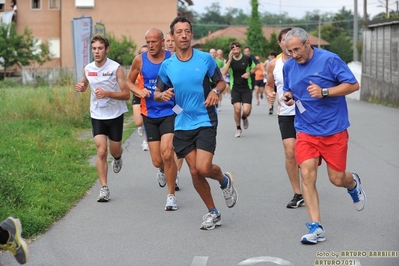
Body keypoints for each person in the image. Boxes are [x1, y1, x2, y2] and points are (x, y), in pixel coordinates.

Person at [283, 27, 366, 244]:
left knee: (336, 178)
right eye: (289, 51)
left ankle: (352, 184)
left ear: (307, 43)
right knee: (307, 174)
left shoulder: (330, 60)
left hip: (333, 130)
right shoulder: (289, 65)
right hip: (306, 130)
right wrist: (288, 96)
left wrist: (325, 92)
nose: (294, 55)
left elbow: (353, 85)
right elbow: (289, 88)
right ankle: (316, 227)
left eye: (297, 50)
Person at [155, 16, 238, 230]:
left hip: (205, 118)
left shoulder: (205, 60)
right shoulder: (167, 66)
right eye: (179, 32)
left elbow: (221, 81)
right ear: (171, 37)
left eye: (187, 31)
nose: (183, 35)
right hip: (182, 123)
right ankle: (213, 212)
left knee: (203, 168)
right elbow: (157, 93)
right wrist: (161, 96)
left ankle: (224, 180)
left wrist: (215, 90)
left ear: (192, 35)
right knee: (193, 171)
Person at [127, 28, 178, 211]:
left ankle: (171, 195)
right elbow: (128, 81)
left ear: (162, 41)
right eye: (147, 42)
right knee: (158, 161)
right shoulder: (140, 59)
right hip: (149, 113)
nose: (150, 45)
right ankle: (162, 171)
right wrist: (138, 91)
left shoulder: (172, 58)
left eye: (154, 42)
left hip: (170, 111)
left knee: (167, 153)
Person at [76, 35, 130, 202]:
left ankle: (118, 157)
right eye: (94, 49)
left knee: (114, 150)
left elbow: (126, 94)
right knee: (101, 151)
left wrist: (108, 93)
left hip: (115, 115)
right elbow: (85, 83)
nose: (97, 52)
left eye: (100, 48)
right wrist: (82, 86)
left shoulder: (116, 68)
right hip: (97, 114)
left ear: (106, 49)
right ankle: (104, 188)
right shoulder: (88, 68)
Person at [265, 27, 304, 209]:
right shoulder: (274, 64)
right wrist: (270, 95)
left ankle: (308, 183)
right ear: (281, 43)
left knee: (304, 155)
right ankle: (298, 193)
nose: (288, 44)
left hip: (306, 113)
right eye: (284, 40)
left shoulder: (304, 60)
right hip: (286, 114)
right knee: (290, 152)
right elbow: (269, 86)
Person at [222, 41, 256, 138]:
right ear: (231, 51)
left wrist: (249, 73)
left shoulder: (247, 58)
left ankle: (244, 117)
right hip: (235, 87)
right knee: (237, 109)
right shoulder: (230, 60)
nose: (235, 51)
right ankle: (238, 128)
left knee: (246, 110)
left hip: (246, 87)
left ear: (240, 49)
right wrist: (229, 60)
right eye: (233, 49)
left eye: (237, 49)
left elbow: (254, 68)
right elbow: (223, 72)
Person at [165, 31, 183, 191]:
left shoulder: (183, 59)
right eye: (168, 41)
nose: (170, 43)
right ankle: (165, 170)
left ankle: (175, 175)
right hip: (164, 107)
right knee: (166, 149)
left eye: (173, 40)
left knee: (178, 144)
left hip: (180, 106)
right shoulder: (162, 62)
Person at [133, 44, 149, 151]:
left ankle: (146, 140)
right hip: (138, 95)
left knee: (148, 119)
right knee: (139, 122)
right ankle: (142, 128)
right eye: (141, 53)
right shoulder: (137, 65)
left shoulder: (153, 65)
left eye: (145, 53)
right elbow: (130, 82)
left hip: (149, 96)